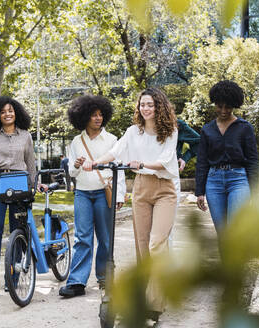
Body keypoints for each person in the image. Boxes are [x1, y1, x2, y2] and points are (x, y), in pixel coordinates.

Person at [84, 88, 178, 322]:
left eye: (150, 104)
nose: (145, 108)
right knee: (143, 247)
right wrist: (94, 162)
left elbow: (165, 160)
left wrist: (141, 162)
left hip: (164, 189)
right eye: (142, 104)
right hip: (141, 189)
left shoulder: (170, 131)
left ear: (160, 106)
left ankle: (154, 305)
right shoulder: (132, 132)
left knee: (157, 243)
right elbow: (115, 152)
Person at [59, 95, 126, 298]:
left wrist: (119, 194)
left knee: (105, 239)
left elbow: (119, 169)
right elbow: (71, 172)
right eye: (93, 115)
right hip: (83, 194)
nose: (98, 118)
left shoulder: (113, 140)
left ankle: (105, 279)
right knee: (82, 238)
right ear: (83, 117)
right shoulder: (77, 141)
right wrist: (77, 164)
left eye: (100, 115)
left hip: (104, 193)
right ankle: (77, 282)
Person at [0, 96, 46, 294]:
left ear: (16, 112)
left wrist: (35, 185)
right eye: (2, 112)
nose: (7, 114)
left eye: (10, 110)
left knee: (18, 231)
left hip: (20, 183)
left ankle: (13, 279)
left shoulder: (25, 136)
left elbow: (31, 164)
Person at [195, 80, 259, 231]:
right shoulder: (207, 130)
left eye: (228, 107)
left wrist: (255, 191)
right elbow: (202, 161)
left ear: (234, 105)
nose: (223, 110)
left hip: (238, 180)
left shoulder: (245, 128)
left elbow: (252, 161)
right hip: (213, 183)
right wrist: (199, 192)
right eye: (219, 106)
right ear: (215, 103)